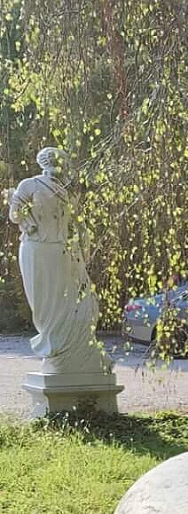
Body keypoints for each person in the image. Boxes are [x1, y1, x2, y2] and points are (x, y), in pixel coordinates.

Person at [8, 146, 110, 375]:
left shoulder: (68, 192)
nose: (59, 166)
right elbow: (14, 215)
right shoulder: (30, 185)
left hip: (64, 250)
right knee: (45, 301)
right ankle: (54, 345)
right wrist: (23, 213)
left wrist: (83, 243)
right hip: (37, 249)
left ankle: (74, 346)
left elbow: (76, 223)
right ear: (45, 163)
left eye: (62, 162)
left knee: (72, 298)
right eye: (56, 161)